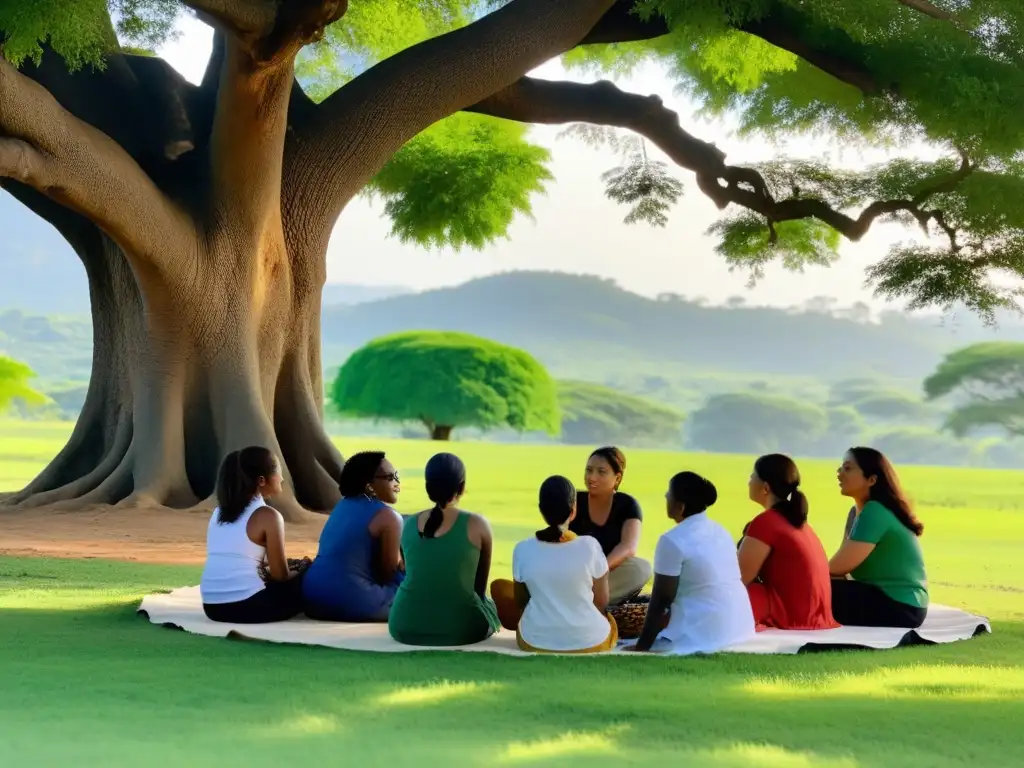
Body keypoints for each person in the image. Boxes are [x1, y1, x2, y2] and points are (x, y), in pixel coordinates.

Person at [625, 471, 754, 654]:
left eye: (669, 493)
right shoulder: (720, 530)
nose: (665, 496)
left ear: (681, 506)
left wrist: (643, 645)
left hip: (706, 631)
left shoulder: (672, 540)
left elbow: (661, 599)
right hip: (741, 627)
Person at [489, 476, 617, 653]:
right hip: (590, 640)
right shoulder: (590, 546)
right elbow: (602, 601)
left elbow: (522, 601)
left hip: (535, 640)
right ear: (573, 510)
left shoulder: (523, 549)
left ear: (541, 510)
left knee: (499, 587)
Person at [388, 453, 500, 646]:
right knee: (492, 607)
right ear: (462, 487)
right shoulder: (478, 525)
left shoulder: (408, 525)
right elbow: (479, 590)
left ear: (427, 487)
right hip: (462, 629)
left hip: (404, 624)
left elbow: (410, 572)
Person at [200, 447, 304, 624]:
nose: (282, 478)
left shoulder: (217, 513)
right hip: (249, 607)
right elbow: (280, 577)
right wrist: (302, 569)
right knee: (310, 576)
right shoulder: (268, 516)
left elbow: (240, 557)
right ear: (262, 481)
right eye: (278, 471)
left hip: (212, 607)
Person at [829, 447, 928, 628]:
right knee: (814, 588)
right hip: (888, 600)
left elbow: (838, 566)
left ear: (872, 479)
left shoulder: (875, 511)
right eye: (841, 468)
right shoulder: (857, 513)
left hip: (899, 607)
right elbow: (838, 570)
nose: (839, 473)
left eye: (848, 468)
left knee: (809, 590)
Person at [738, 454, 839, 630]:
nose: (749, 481)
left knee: (722, 596)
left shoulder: (766, 522)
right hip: (816, 615)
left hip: (789, 613)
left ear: (766, 488)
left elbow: (739, 579)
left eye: (752, 476)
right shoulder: (799, 523)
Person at [301, 451, 404, 622]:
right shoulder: (389, 517)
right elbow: (388, 573)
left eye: (397, 475)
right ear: (369, 485)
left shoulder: (342, 506)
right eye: (390, 477)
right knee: (415, 587)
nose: (397, 482)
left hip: (313, 598)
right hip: (352, 601)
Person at [569, 447, 652, 604]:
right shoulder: (573, 500)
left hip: (606, 575)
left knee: (641, 568)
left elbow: (628, 547)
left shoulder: (627, 504)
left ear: (617, 478)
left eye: (601, 472)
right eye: (589, 470)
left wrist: (600, 570)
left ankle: (584, 601)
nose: (592, 477)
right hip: (573, 572)